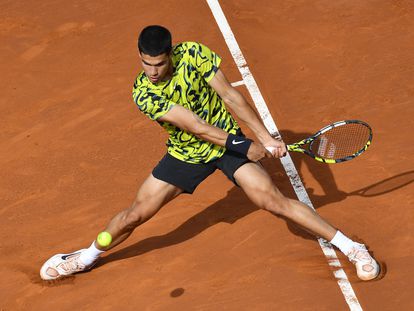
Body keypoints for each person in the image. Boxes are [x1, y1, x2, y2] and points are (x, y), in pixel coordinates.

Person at [40, 25, 380, 281]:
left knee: (272, 200)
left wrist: (265, 137)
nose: (153, 71)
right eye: (146, 64)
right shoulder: (144, 93)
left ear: (170, 54)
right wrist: (245, 145)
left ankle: (352, 247)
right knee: (135, 216)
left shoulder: (194, 55)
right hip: (187, 154)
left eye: (158, 63)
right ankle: (86, 256)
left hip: (227, 145)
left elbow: (231, 98)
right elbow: (196, 128)